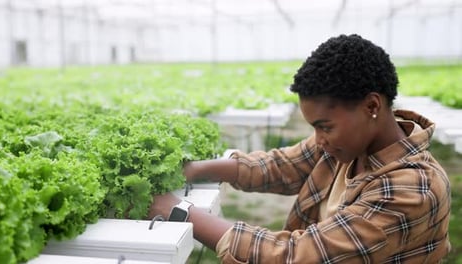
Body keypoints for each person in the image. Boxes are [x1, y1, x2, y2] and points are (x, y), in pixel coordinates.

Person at [147, 34, 451, 263]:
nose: (318, 139)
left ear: (372, 105)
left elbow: (298, 255)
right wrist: (198, 169)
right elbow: (282, 166)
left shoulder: (412, 190)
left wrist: (182, 213)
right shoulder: (348, 145)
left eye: (325, 126)